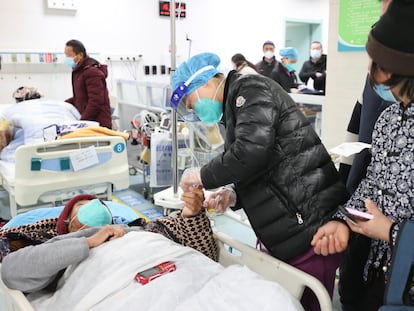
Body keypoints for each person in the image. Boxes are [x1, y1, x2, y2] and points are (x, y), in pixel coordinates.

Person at [171, 52, 349, 311]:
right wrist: (232, 195)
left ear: (205, 83)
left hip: (311, 225)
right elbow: (261, 165)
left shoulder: (251, 89)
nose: (195, 111)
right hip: (289, 222)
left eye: (191, 103)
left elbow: (251, 152)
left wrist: (201, 175)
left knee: (308, 303)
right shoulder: (233, 108)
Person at [312, 1, 414, 309]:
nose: (371, 74)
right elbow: (372, 184)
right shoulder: (390, 119)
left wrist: (392, 232)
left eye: (379, 64)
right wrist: (343, 220)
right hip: (377, 270)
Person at [0, 191, 217, 271]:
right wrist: (89, 242)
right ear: (66, 222)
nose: (93, 206)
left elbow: (205, 254)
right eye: (81, 205)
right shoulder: (51, 245)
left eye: (96, 203)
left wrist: (191, 213)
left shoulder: (136, 229)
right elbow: (12, 270)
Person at [337, 2, 393, 310]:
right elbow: (355, 132)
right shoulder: (389, 116)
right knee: (352, 287)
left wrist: (394, 233)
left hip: (397, 246)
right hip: (365, 210)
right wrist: (341, 211)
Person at [64, 39, 112, 129]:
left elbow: (95, 102)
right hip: (88, 121)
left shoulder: (92, 73)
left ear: (80, 55)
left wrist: (81, 122)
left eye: (69, 56)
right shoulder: (78, 72)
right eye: (66, 55)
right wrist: (62, 105)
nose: (67, 59)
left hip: (98, 124)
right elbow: (79, 97)